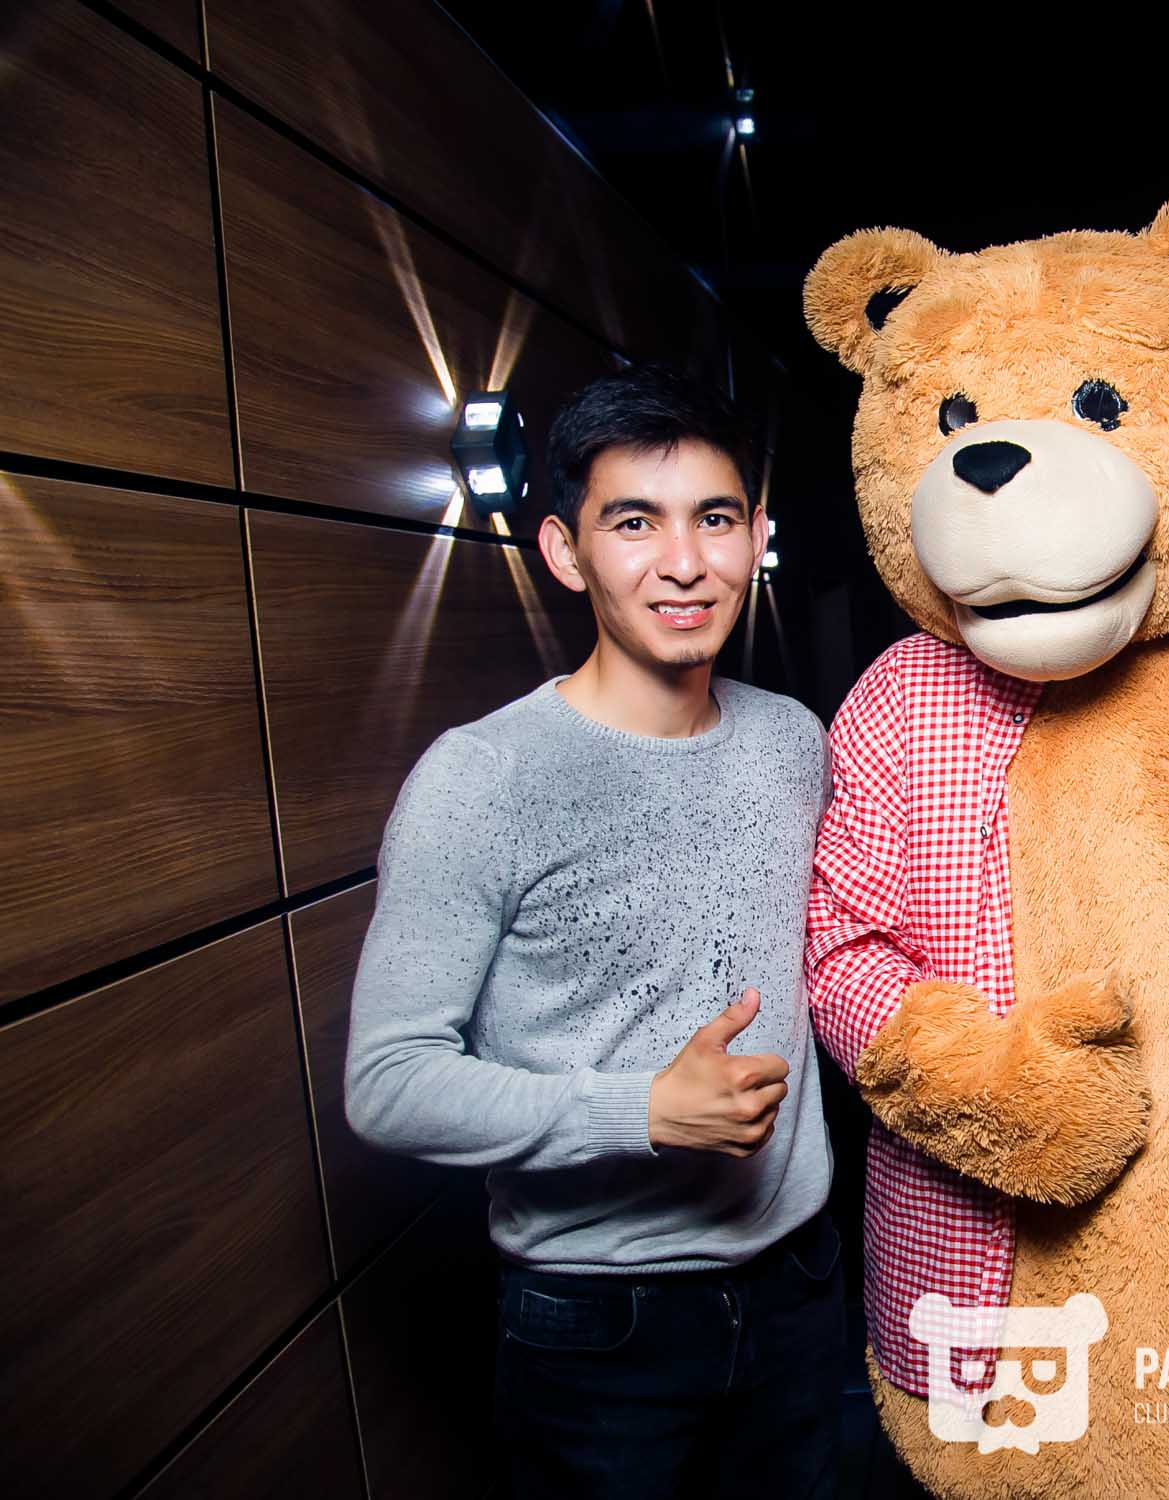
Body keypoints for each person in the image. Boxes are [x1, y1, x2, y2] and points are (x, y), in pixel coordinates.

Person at [345, 365, 841, 1500]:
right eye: (635, 523)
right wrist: (640, 1111)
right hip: (599, 1323)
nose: (685, 562)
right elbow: (388, 1082)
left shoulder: (793, 741)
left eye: (715, 518)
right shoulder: (481, 779)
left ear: (755, 535)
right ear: (566, 553)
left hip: (800, 1285)